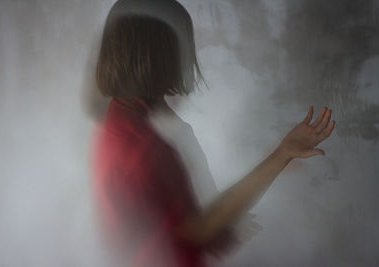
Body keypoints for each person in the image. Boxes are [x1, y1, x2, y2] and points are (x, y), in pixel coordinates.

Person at [90, 0, 336, 266]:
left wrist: (228, 221)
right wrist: (282, 154)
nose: (188, 57)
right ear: (155, 54)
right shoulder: (140, 144)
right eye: (180, 45)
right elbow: (199, 229)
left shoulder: (130, 118)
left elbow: (187, 215)